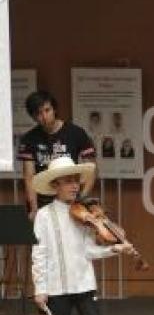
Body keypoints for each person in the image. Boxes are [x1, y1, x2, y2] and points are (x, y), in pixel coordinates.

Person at [31, 157, 137, 315]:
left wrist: (115, 250)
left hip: (84, 284)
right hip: (56, 287)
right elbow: (39, 253)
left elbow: (89, 251)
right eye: (68, 181)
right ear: (56, 185)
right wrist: (40, 288)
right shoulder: (44, 216)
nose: (74, 186)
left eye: (76, 181)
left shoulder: (85, 215)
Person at [17, 90, 97, 219]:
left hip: (71, 199)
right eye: (38, 113)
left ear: (54, 109)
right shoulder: (29, 139)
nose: (44, 116)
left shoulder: (76, 133)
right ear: (33, 117)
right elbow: (29, 176)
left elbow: (91, 168)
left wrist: (81, 198)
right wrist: (34, 208)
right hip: (43, 201)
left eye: (47, 110)